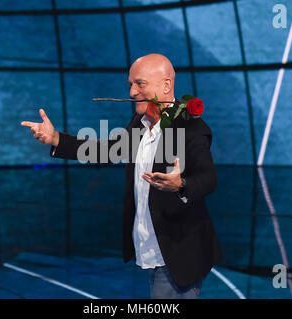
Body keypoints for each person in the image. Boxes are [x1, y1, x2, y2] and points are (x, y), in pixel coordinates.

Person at [21, 53, 222, 299]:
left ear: (166, 85)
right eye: (130, 85)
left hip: (178, 253)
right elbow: (105, 151)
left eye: (140, 84)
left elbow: (208, 178)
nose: (133, 92)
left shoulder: (190, 127)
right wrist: (55, 139)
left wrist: (181, 185)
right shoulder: (139, 123)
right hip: (151, 247)